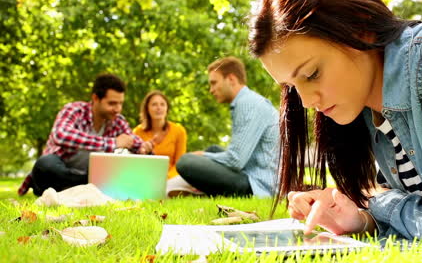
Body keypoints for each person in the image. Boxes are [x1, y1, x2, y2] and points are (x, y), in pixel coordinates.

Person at [248, 0, 422, 242]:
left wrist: (382, 203)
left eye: (312, 74)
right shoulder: (367, 111)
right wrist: (361, 219)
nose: (307, 101)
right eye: (291, 87)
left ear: (360, 30)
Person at [17, 73, 152, 196]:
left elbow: (132, 140)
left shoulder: (118, 121)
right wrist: (111, 143)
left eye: (120, 103)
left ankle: (79, 187)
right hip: (60, 171)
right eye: (112, 103)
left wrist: (143, 148)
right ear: (95, 98)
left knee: (113, 172)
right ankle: (82, 186)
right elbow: (61, 135)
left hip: (89, 175)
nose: (117, 109)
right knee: (46, 164)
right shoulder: (74, 110)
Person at [175, 56, 279, 197]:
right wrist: (208, 155)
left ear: (231, 79)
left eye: (214, 83)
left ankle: (191, 189)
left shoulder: (248, 104)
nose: (211, 90)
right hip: (253, 172)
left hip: (261, 185)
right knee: (213, 149)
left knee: (185, 162)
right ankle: (196, 190)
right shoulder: (247, 100)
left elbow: (236, 160)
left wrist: (203, 155)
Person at [133, 90, 187, 179]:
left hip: (171, 178)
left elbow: (179, 164)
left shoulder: (179, 131)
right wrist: (142, 151)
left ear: (167, 108)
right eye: (154, 104)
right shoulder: (137, 132)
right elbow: (134, 163)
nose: (159, 108)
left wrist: (167, 177)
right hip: (145, 177)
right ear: (147, 108)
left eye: (162, 104)